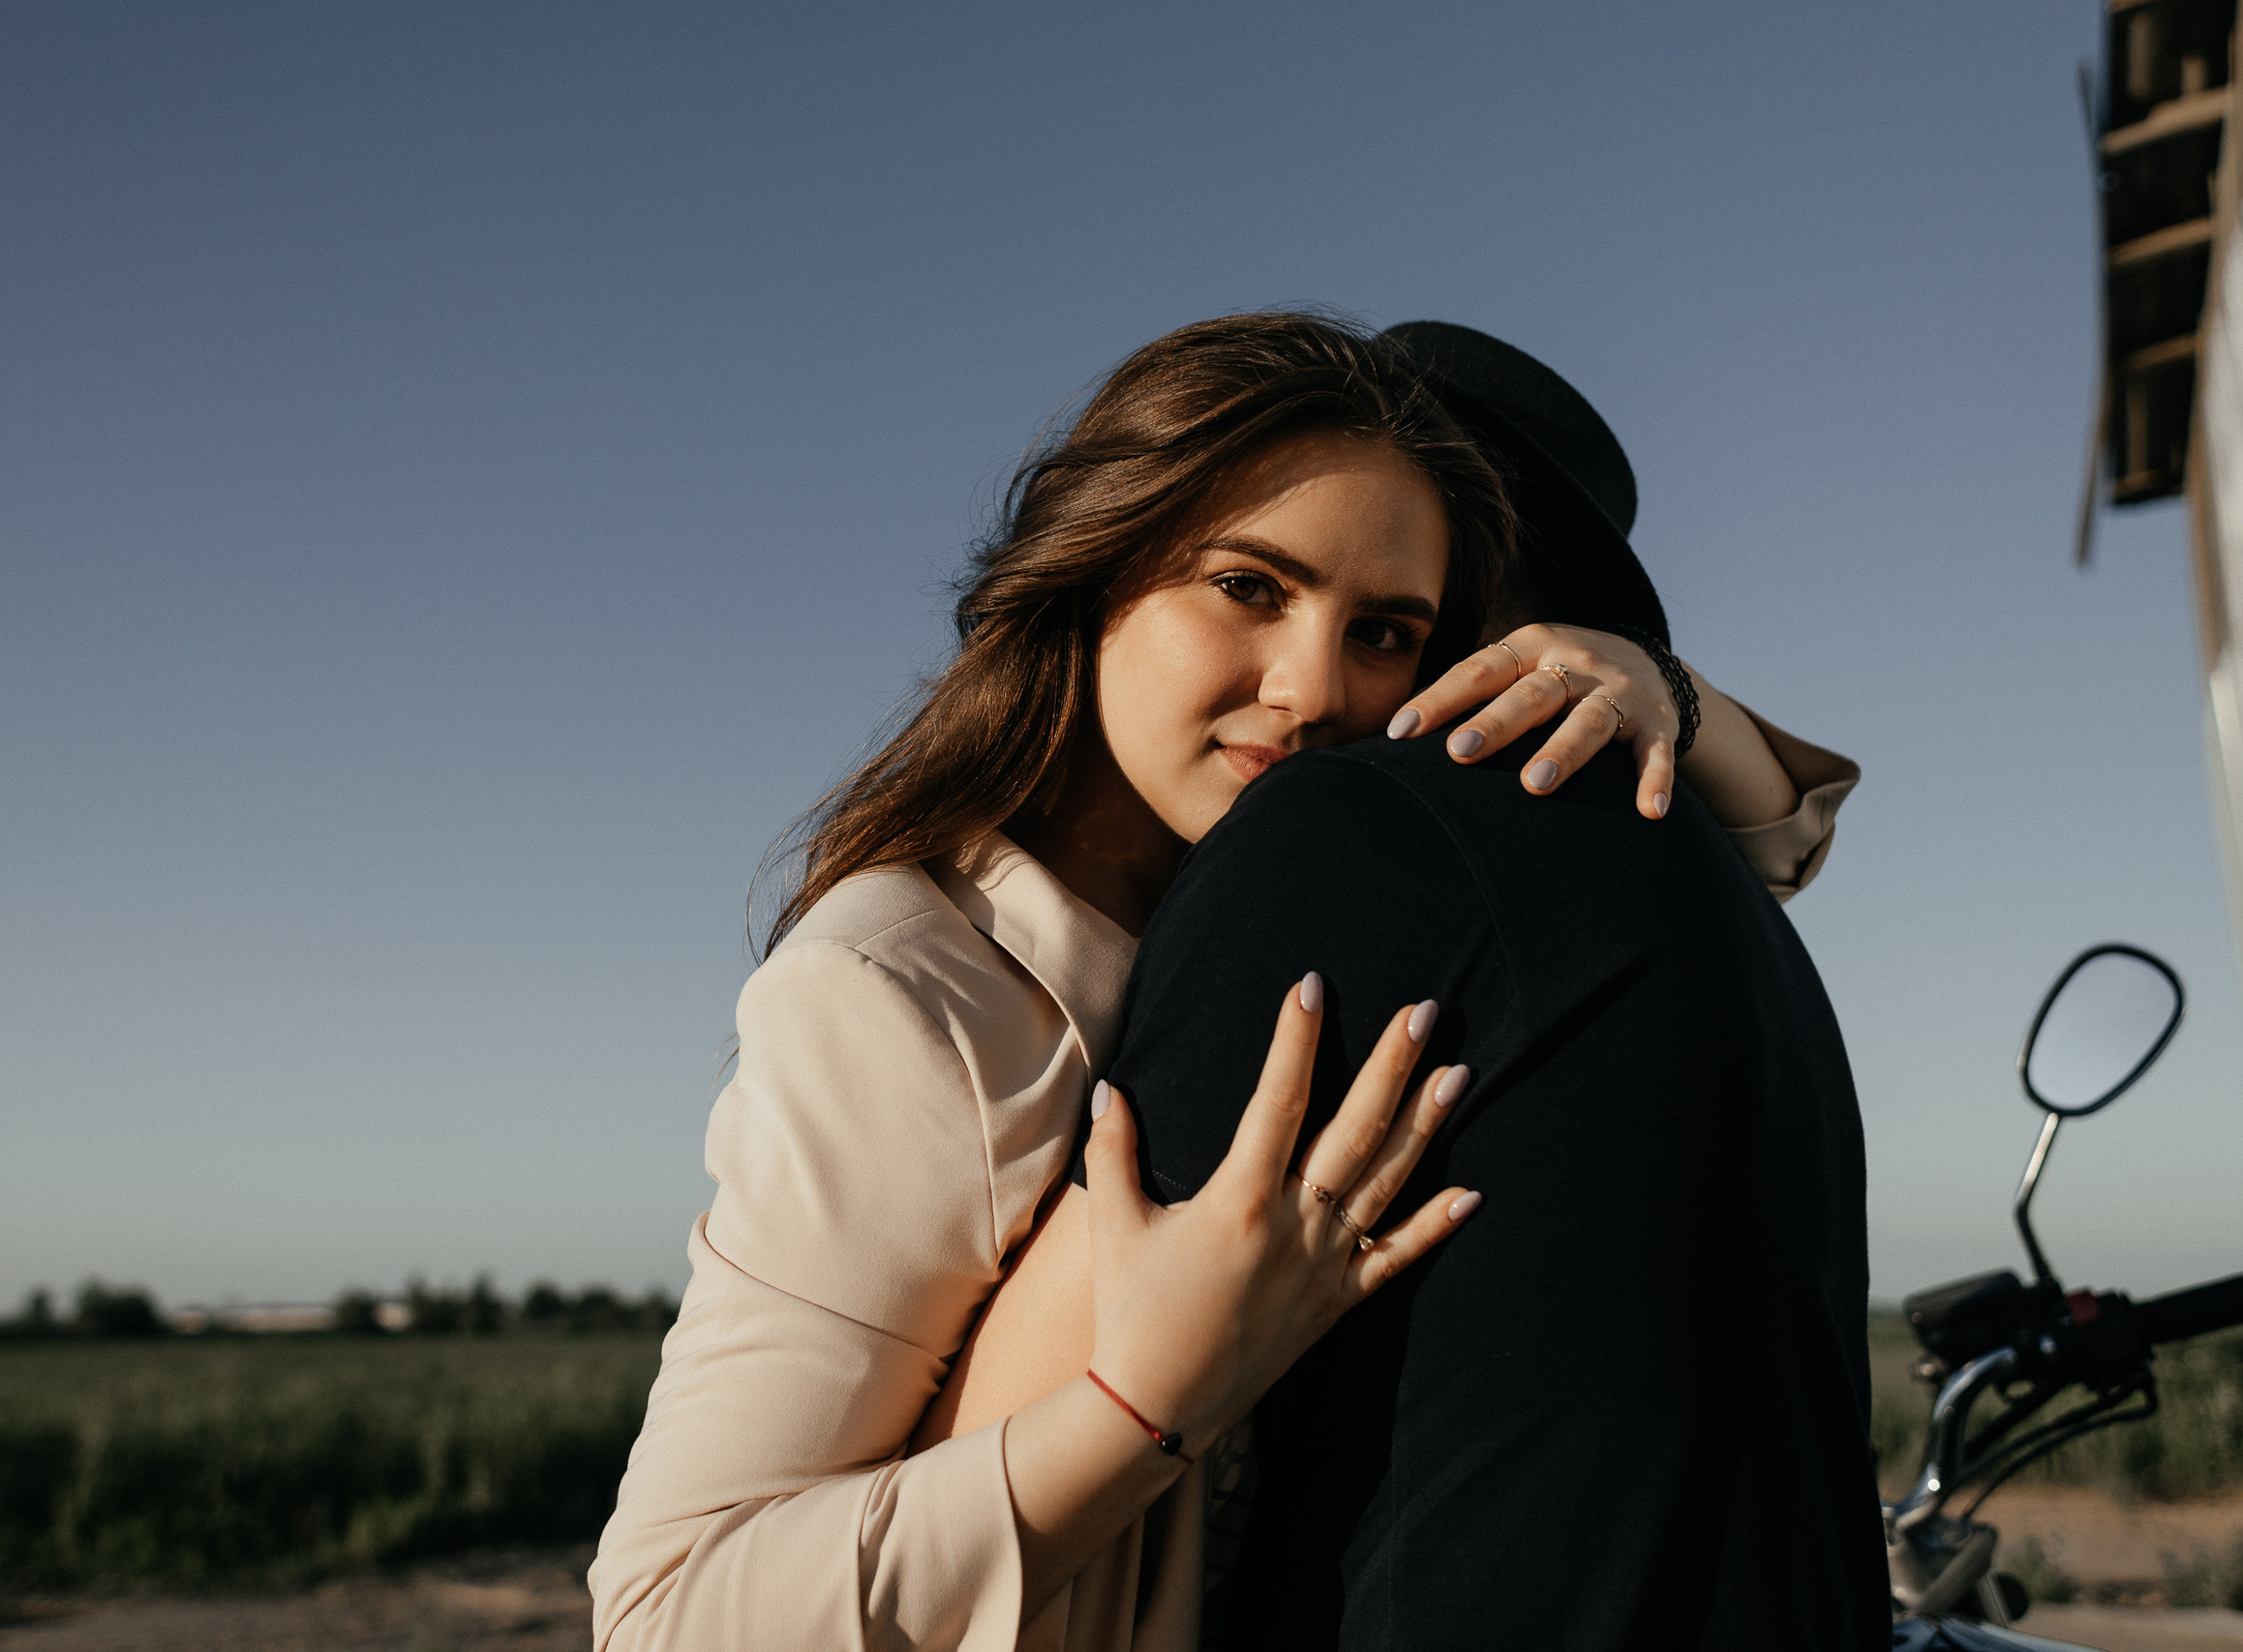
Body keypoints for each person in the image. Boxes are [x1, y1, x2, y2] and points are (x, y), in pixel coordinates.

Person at [590, 313, 1856, 1651]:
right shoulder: (903, 991)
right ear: (1097, 570)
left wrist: (1658, 690)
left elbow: (1768, 841)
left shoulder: (1301, 917)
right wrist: (1144, 1400)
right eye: (1250, 588)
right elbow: (671, 1614)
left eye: (1384, 633)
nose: (1312, 691)